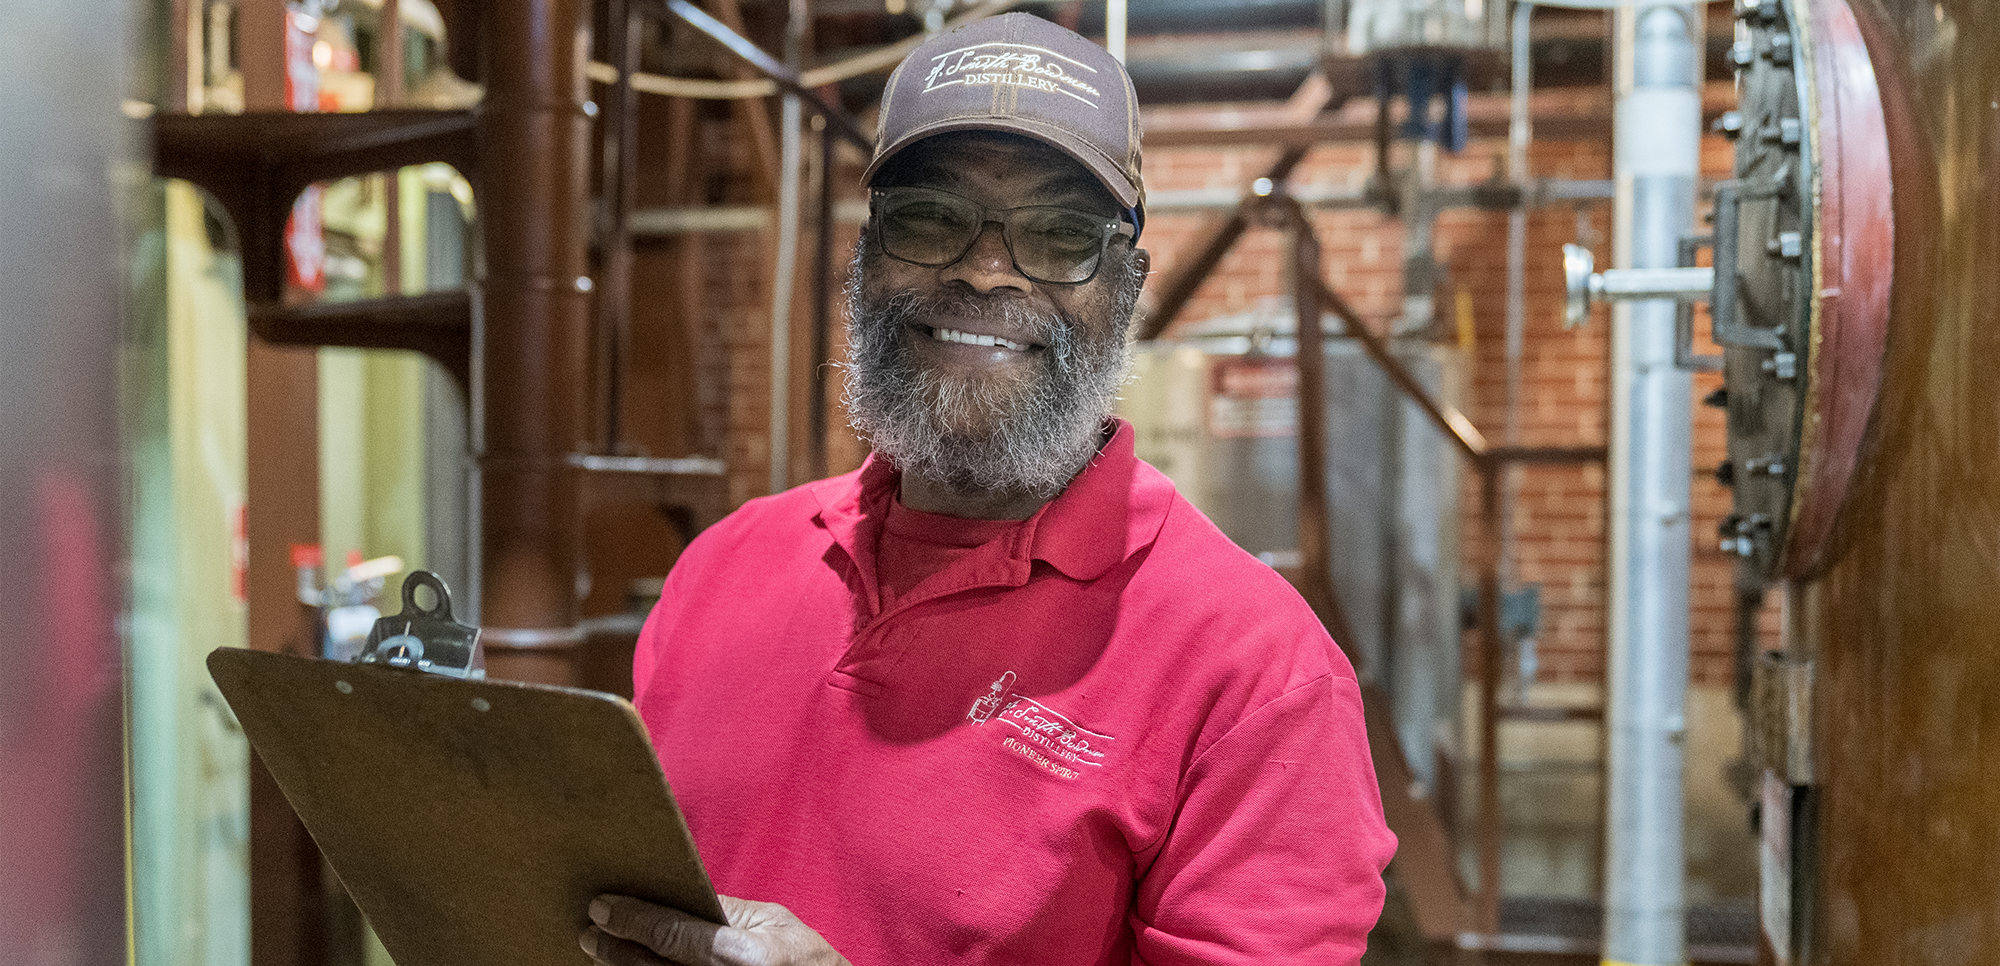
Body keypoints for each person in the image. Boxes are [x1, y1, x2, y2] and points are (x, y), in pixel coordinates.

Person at [577, 12, 1395, 966]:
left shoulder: (1258, 677)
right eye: (930, 218)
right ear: (865, 257)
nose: (984, 270)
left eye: (1056, 235)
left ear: (1126, 289)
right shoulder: (723, 567)